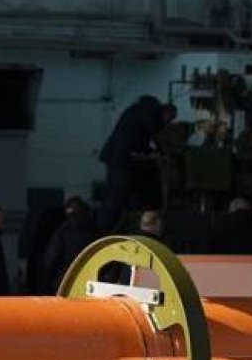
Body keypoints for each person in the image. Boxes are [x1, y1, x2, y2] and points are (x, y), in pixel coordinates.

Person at [99, 96, 176, 232]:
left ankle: (108, 229)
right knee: (117, 197)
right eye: (169, 119)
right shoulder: (150, 113)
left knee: (119, 196)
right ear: (165, 112)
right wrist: (162, 151)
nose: (168, 123)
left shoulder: (138, 111)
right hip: (121, 160)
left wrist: (150, 151)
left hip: (118, 157)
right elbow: (152, 135)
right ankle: (104, 230)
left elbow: (137, 138)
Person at [32, 197, 97, 295]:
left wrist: (44, 285)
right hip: (89, 283)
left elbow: (50, 260)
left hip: (65, 282)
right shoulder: (94, 231)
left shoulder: (62, 232)